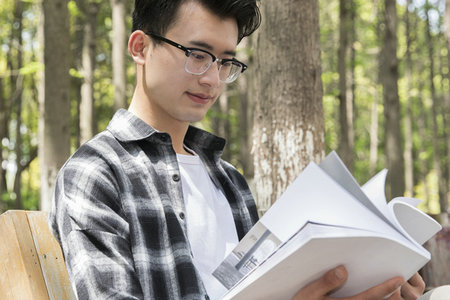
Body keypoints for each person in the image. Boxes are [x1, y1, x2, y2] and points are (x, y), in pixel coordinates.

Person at [49, 0, 425, 299]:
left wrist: (376, 282)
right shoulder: (97, 174)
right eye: (196, 54)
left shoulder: (228, 181)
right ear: (140, 47)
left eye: (225, 61)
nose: (212, 79)